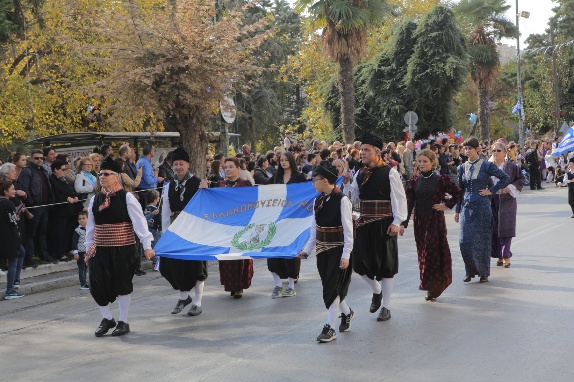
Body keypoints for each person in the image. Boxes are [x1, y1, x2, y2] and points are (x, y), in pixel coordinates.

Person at [85, 157, 155, 337]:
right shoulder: (95, 200)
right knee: (95, 283)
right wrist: (88, 248)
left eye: (107, 174)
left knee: (122, 283)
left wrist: (147, 245)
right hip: (100, 248)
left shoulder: (127, 197)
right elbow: (91, 227)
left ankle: (124, 321)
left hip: (123, 248)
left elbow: (140, 223)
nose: (102, 177)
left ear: (117, 177)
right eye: (100, 174)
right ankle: (107, 318)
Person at [342, 131, 407, 322]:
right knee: (359, 263)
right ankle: (377, 291)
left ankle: (386, 307)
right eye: (361, 150)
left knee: (386, 265)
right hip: (364, 223)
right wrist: (346, 185)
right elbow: (353, 197)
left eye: (366, 150)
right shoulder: (360, 174)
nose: (362, 153)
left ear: (377, 152)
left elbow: (399, 198)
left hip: (385, 224)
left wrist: (397, 222)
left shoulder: (390, 172)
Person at [298, 161, 354, 343]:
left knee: (331, 286)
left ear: (326, 180)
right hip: (322, 250)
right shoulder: (318, 200)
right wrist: (307, 250)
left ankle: (330, 327)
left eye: (315, 179)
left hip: (338, 249)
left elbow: (348, 230)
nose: (313, 183)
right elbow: (315, 229)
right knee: (330, 287)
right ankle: (347, 312)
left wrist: (346, 254)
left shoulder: (342, 200)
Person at [400, 149, 463, 301]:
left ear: (432, 163)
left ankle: (436, 286)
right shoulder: (414, 182)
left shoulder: (440, 179)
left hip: (435, 221)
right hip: (420, 223)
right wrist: (403, 223)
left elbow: (458, 193)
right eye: (419, 161)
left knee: (433, 253)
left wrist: (446, 205)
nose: (421, 164)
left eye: (425, 161)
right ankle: (430, 286)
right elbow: (408, 203)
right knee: (423, 254)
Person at [454, 138, 509, 283]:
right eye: (465, 149)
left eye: (469, 148)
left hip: (483, 207)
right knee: (464, 241)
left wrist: (491, 191)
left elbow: (504, 177)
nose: (467, 151)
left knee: (483, 241)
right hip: (467, 207)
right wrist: (457, 210)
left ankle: (483, 273)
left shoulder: (486, 165)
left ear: (477, 149)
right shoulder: (461, 168)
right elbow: (460, 190)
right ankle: (470, 271)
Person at [160, 148, 206, 317]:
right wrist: (166, 234)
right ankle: (183, 297)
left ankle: (197, 301)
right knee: (170, 265)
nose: (178, 167)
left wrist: (205, 191)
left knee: (195, 265)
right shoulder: (169, 185)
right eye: (175, 164)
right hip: (176, 229)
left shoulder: (197, 183)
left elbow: (205, 207)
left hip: (194, 230)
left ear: (188, 165)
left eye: (181, 164)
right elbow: (165, 211)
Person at [211, 157, 254, 298]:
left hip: (242, 225)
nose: (228, 169)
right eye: (226, 167)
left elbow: (253, 202)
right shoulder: (220, 185)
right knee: (228, 257)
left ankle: (240, 286)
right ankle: (230, 285)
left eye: (231, 167)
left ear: (238, 169)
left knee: (240, 256)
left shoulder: (245, 184)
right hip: (226, 226)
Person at [268, 151, 307, 298]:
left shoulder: (299, 177)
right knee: (272, 251)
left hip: (294, 220)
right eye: (281, 160)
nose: (283, 162)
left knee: (291, 251)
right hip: (277, 219)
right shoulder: (275, 177)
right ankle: (278, 284)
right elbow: (263, 192)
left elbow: (308, 193)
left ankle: (291, 285)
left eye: (286, 160)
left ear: (291, 161)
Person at [489, 142, 525, 268]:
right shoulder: (488, 167)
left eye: (498, 150)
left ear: (504, 153)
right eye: (494, 150)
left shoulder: (511, 166)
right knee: (494, 228)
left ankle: (506, 256)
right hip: (492, 200)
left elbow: (521, 179)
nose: (496, 153)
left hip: (507, 200)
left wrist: (509, 188)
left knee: (506, 227)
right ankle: (499, 255)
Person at [19, 149, 54, 266]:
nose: (39, 160)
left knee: (42, 232)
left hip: (45, 206)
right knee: (31, 233)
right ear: (31, 159)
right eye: (36, 158)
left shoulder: (43, 170)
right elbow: (25, 189)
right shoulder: (27, 171)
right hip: (34, 206)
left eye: (41, 158)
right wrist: (32, 203)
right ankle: (29, 258)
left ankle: (43, 254)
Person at [50, 159, 81, 262]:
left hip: (69, 210)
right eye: (62, 169)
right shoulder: (52, 180)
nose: (64, 171)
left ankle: (65, 249)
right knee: (59, 232)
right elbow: (55, 194)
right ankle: (59, 252)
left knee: (67, 232)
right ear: (55, 170)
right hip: (60, 211)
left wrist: (75, 196)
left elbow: (70, 190)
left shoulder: (63, 179)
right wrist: (66, 198)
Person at [1, 181, 25, 299]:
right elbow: (13, 221)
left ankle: (16, 281)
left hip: (4, 235)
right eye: (12, 189)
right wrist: (17, 218)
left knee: (22, 252)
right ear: (5, 192)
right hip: (10, 236)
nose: (14, 191)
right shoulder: (8, 204)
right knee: (13, 261)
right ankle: (10, 289)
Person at [72, 211, 90, 290]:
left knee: (89, 267)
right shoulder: (77, 230)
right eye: (79, 219)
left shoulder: (90, 229)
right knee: (82, 268)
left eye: (83, 218)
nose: (81, 220)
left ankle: (91, 281)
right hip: (81, 252)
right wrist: (75, 252)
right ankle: (83, 283)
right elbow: (74, 242)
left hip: (89, 252)